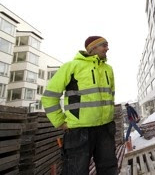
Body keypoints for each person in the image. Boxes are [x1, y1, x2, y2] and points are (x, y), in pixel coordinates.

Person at [41, 36, 118, 174]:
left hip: (105, 129)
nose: (107, 48)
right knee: (76, 172)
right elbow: (49, 97)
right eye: (104, 45)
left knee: (109, 170)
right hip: (79, 131)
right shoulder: (71, 67)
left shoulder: (108, 69)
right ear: (92, 48)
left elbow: (111, 95)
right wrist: (60, 122)